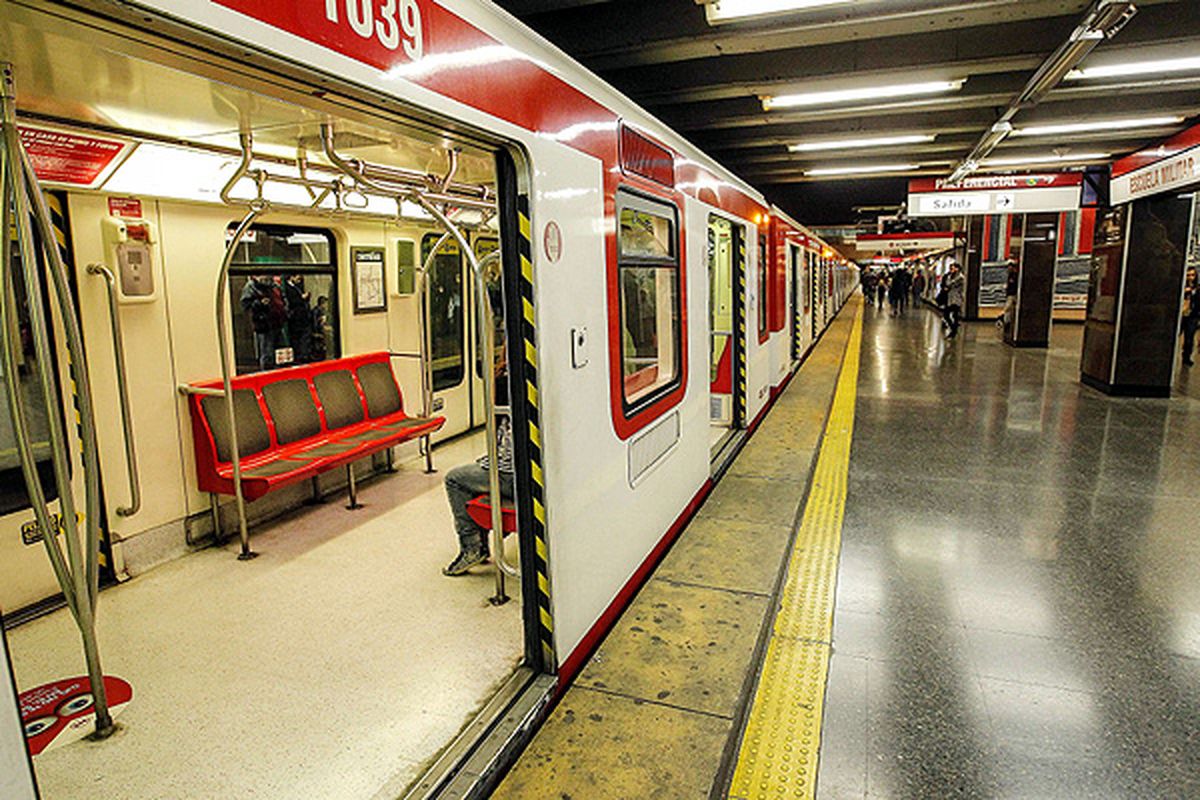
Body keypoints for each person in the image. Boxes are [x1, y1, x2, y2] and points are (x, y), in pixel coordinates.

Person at [442, 414, 516, 575]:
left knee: (454, 479)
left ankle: (472, 548)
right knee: (473, 475)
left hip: (511, 476)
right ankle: (479, 546)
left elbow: (506, 456)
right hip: (515, 472)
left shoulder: (511, 403)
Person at [239, 275, 286, 371]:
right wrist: (260, 303)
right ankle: (267, 373)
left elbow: (282, 298)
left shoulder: (274, 285)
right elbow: (245, 305)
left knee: (280, 352)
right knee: (267, 353)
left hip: (277, 322)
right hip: (263, 323)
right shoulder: (251, 286)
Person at [284, 274, 312, 363]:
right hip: (296, 318)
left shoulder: (297, 287)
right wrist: (302, 298)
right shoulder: (288, 289)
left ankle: (304, 355)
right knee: (297, 338)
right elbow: (293, 302)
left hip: (302, 317)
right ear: (291, 277)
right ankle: (300, 356)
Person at [942, 262, 965, 339]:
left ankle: (953, 332)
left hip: (956, 299)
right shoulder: (950, 276)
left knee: (954, 316)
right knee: (946, 314)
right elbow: (946, 283)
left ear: (957, 269)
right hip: (950, 298)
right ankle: (953, 330)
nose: (952, 269)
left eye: (953, 268)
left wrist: (948, 283)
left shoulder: (960, 277)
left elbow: (950, 284)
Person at [1182, 280, 1200, 367]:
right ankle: (1186, 356)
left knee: (1189, 339)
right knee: (1188, 338)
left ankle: (1186, 356)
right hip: (1187, 315)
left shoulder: (1196, 290)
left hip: (1192, 316)